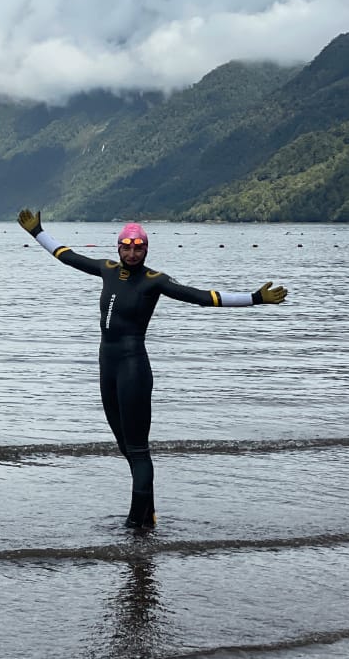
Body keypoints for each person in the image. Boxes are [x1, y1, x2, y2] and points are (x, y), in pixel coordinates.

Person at [17, 209, 287, 530]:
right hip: (108, 367)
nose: (132, 253)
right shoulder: (106, 270)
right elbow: (67, 256)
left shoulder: (154, 281)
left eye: (138, 247)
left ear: (146, 249)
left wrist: (254, 298)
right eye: (126, 247)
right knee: (124, 447)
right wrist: (37, 232)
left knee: (138, 449)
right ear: (119, 248)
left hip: (133, 369)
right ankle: (148, 515)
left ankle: (136, 523)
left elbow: (202, 297)